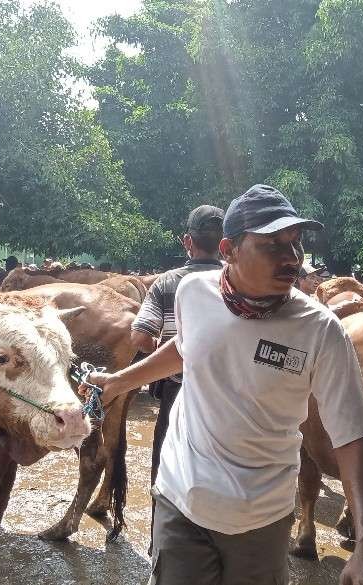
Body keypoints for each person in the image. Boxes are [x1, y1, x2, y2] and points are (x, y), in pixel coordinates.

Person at [86, 184, 363, 585]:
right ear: (228, 250)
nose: (291, 259)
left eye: (295, 244)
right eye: (272, 246)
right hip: (181, 498)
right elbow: (189, 345)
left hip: (262, 517)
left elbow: (353, 437)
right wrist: (119, 381)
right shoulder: (192, 292)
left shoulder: (320, 330)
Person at [130, 204, 224, 530]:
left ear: (188, 241)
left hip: (176, 389)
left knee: (166, 464)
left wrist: (163, 353)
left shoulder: (168, 282)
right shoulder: (237, 283)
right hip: (227, 395)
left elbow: (140, 335)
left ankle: (162, 539)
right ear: (224, 242)